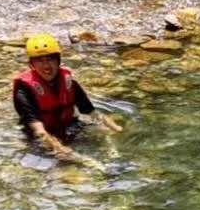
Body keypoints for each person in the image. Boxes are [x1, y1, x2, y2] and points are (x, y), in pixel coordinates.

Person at [13, 34, 120, 164]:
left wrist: (115, 129)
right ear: (32, 64)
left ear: (58, 60)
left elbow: (92, 112)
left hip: (68, 126)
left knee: (103, 131)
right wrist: (72, 155)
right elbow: (39, 132)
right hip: (42, 135)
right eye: (40, 60)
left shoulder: (68, 82)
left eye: (50, 59)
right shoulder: (24, 91)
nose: (46, 65)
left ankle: (112, 157)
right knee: (65, 161)